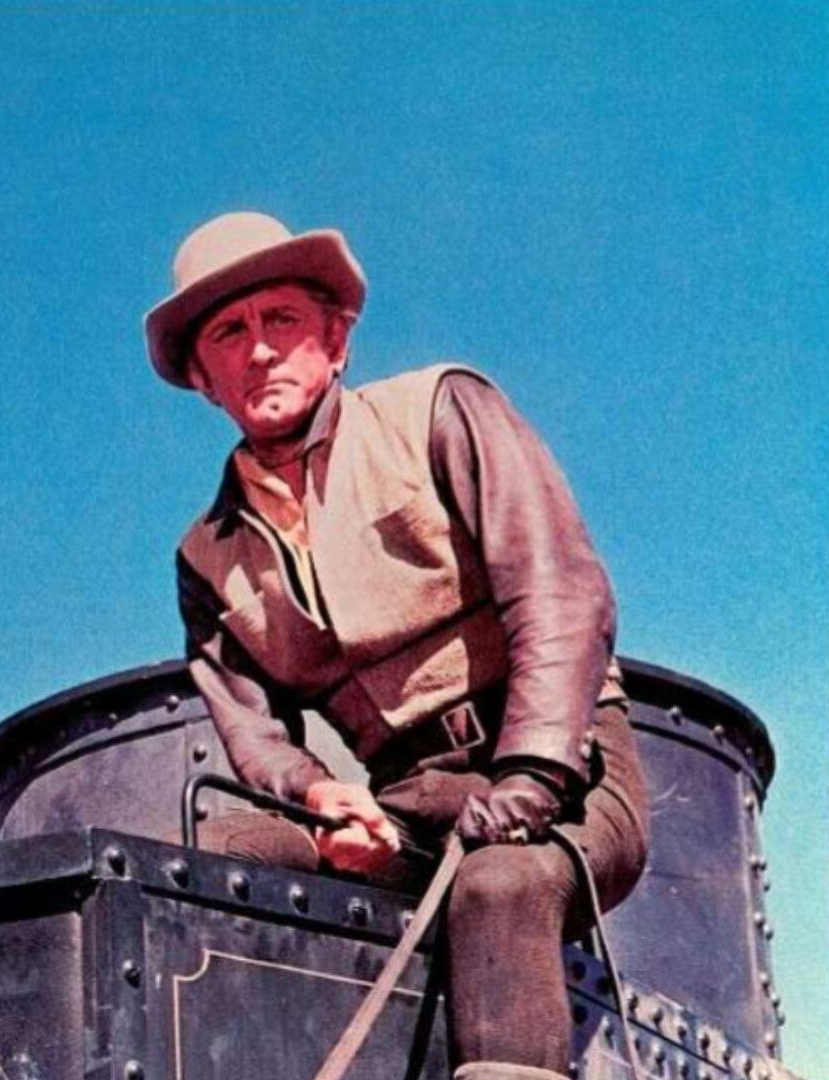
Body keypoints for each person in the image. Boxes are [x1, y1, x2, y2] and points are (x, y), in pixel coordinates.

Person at [145, 211, 648, 1080]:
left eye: (282, 320)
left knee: (501, 884)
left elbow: (562, 593)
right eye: (228, 332)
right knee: (209, 860)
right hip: (406, 808)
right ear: (203, 380)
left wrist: (531, 775)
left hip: (571, 772)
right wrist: (325, 801)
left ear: (337, 341)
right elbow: (257, 736)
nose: (258, 349)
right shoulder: (204, 558)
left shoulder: (441, 410)